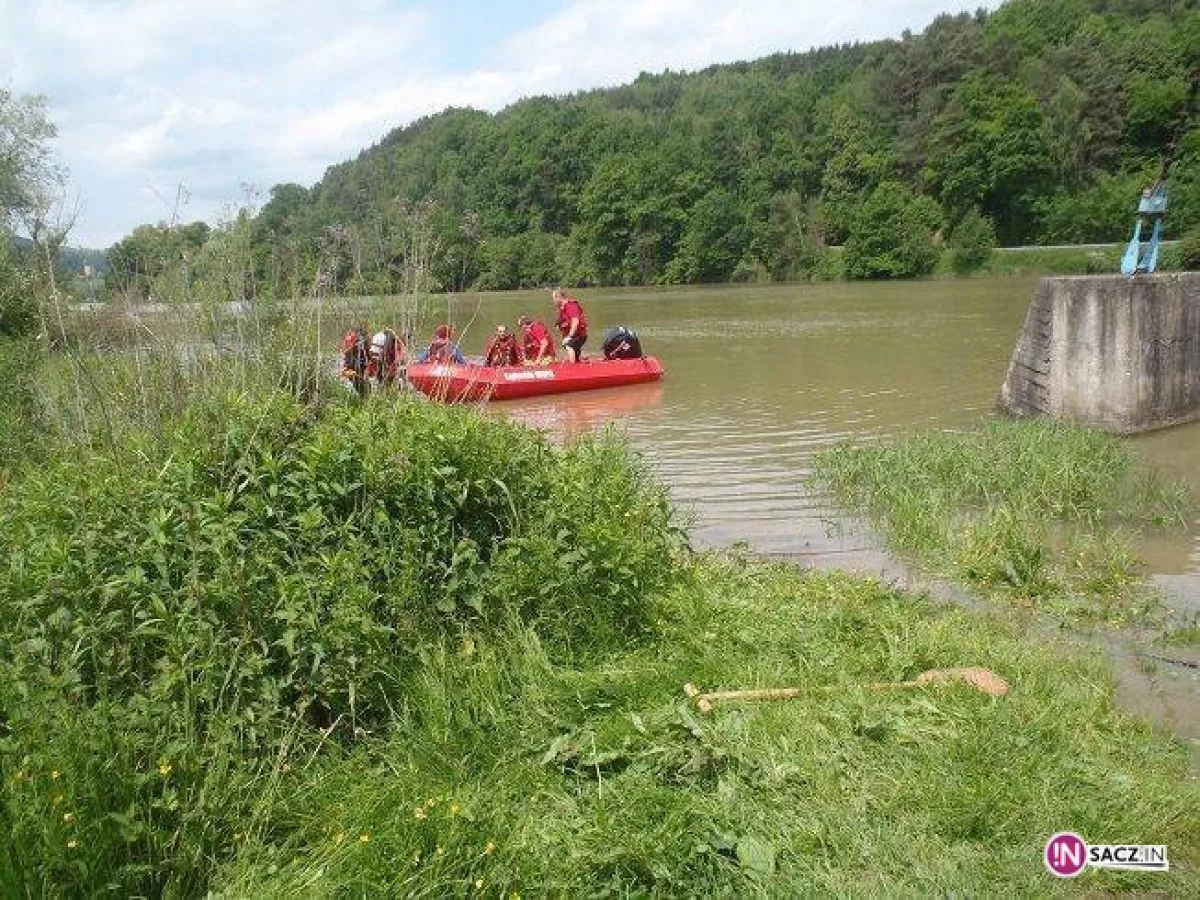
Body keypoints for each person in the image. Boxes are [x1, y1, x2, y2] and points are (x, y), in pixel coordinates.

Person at [552, 288, 588, 363]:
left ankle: (572, 369)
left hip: (579, 335)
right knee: (574, 353)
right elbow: (561, 321)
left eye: (554, 298)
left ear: (558, 297)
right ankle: (577, 365)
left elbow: (575, 321)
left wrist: (569, 336)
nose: (553, 301)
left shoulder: (570, 306)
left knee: (569, 345)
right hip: (575, 335)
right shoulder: (563, 308)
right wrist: (558, 325)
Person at [340, 326, 369, 397]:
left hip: (351, 368)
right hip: (354, 369)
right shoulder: (359, 342)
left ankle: (362, 399)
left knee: (362, 389)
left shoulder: (351, 340)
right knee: (364, 390)